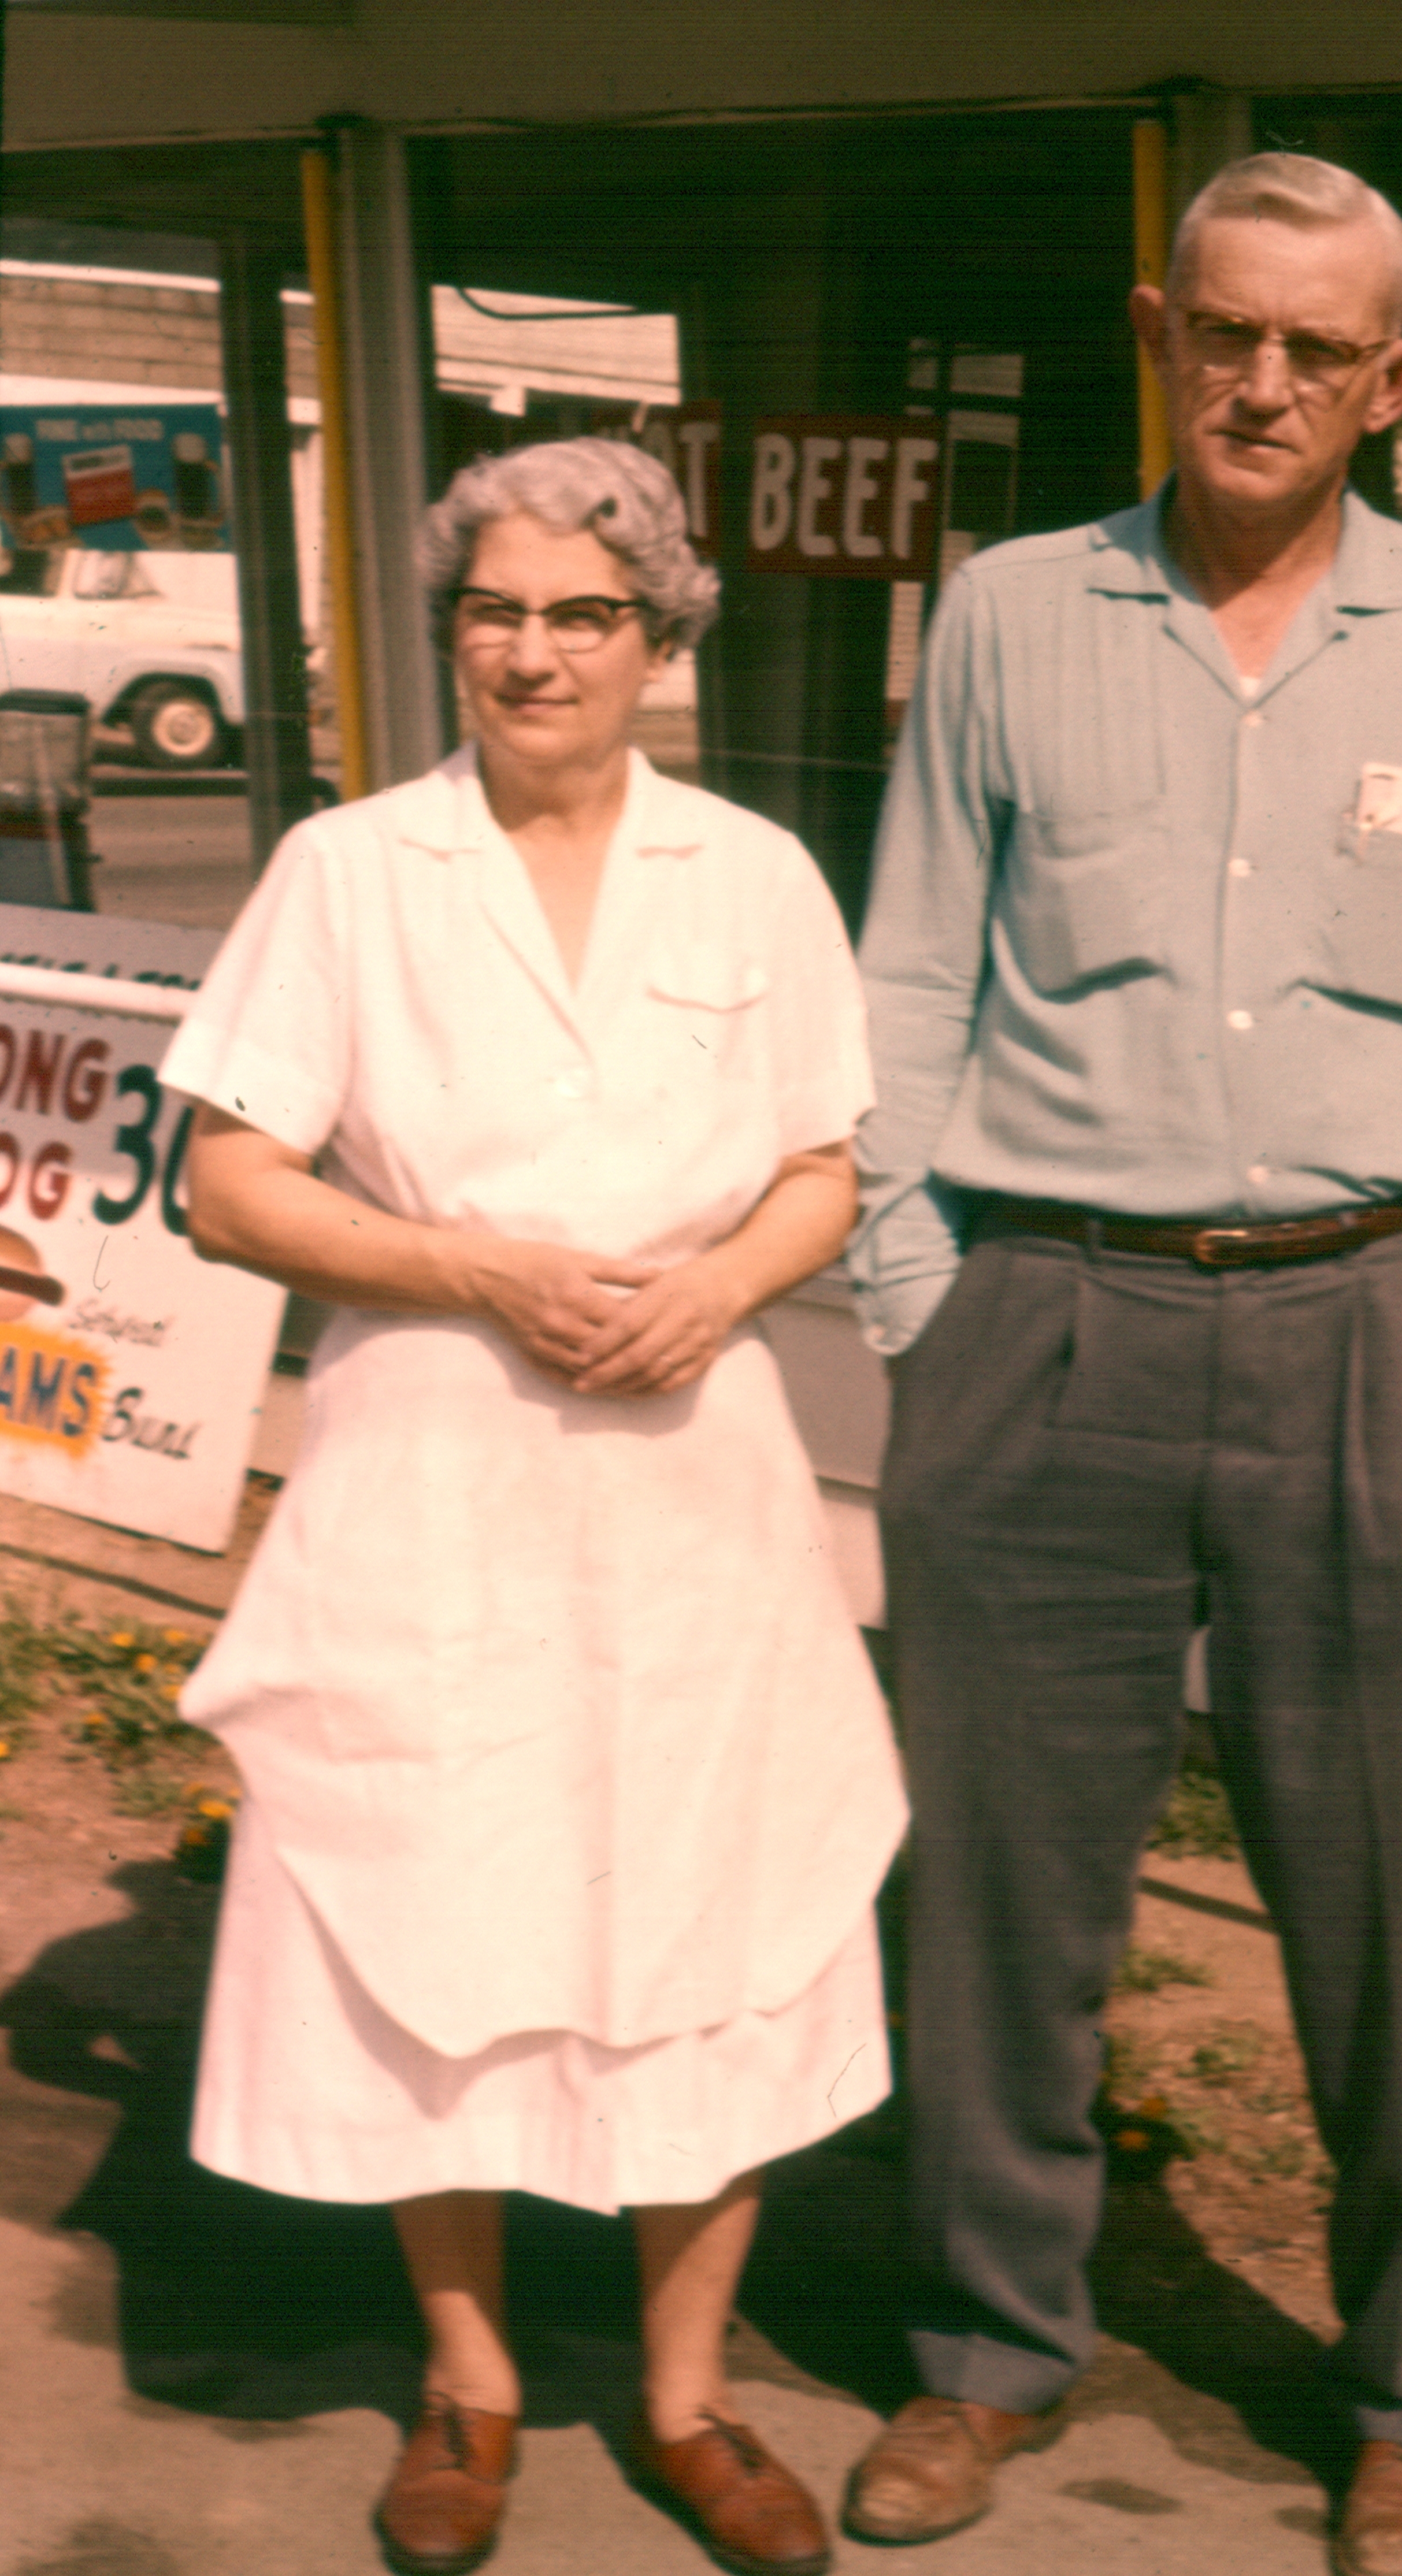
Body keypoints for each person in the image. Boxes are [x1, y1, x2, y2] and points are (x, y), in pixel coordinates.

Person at [842, 154, 1402, 2576]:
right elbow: (906, 974)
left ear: (1393, 378)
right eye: (1222, 331)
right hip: (1046, 1313)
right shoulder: (1006, 611)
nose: (1261, 381)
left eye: (1318, 347)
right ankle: (986, 2348)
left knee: (1374, 1901)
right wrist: (916, 1295)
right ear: (1155, 331)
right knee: (997, 1890)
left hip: (1374, 1318)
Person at [162, 436, 907, 2576]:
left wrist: (716, 1288)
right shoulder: (349, 869)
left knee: (717, 1902)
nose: (531, 649)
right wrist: (475, 1262)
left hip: (693, 1486)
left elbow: (820, 1171)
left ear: (661, 636)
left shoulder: (752, 873)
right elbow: (229, 1182)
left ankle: (687, 2400)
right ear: (448, 631)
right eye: (493, 608)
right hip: (436, 1467)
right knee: (437, 1885)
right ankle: (468, 2385)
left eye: (583, 612)